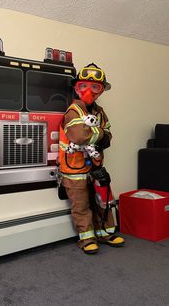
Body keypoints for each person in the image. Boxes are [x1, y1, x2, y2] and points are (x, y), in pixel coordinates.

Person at [59, 63, 125, 254]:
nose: (89, 91)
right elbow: (79, 137)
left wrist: (95, 133)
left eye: (95, 87)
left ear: (101, 90)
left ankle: (107, 233)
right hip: (74, 169)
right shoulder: (73, 111)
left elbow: (109, 138)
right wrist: (99, 133)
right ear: (77, 88)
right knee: (81, 206)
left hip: (96, 166)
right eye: (84, 86)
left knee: (103, 201)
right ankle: (87, 239)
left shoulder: (100, 112)